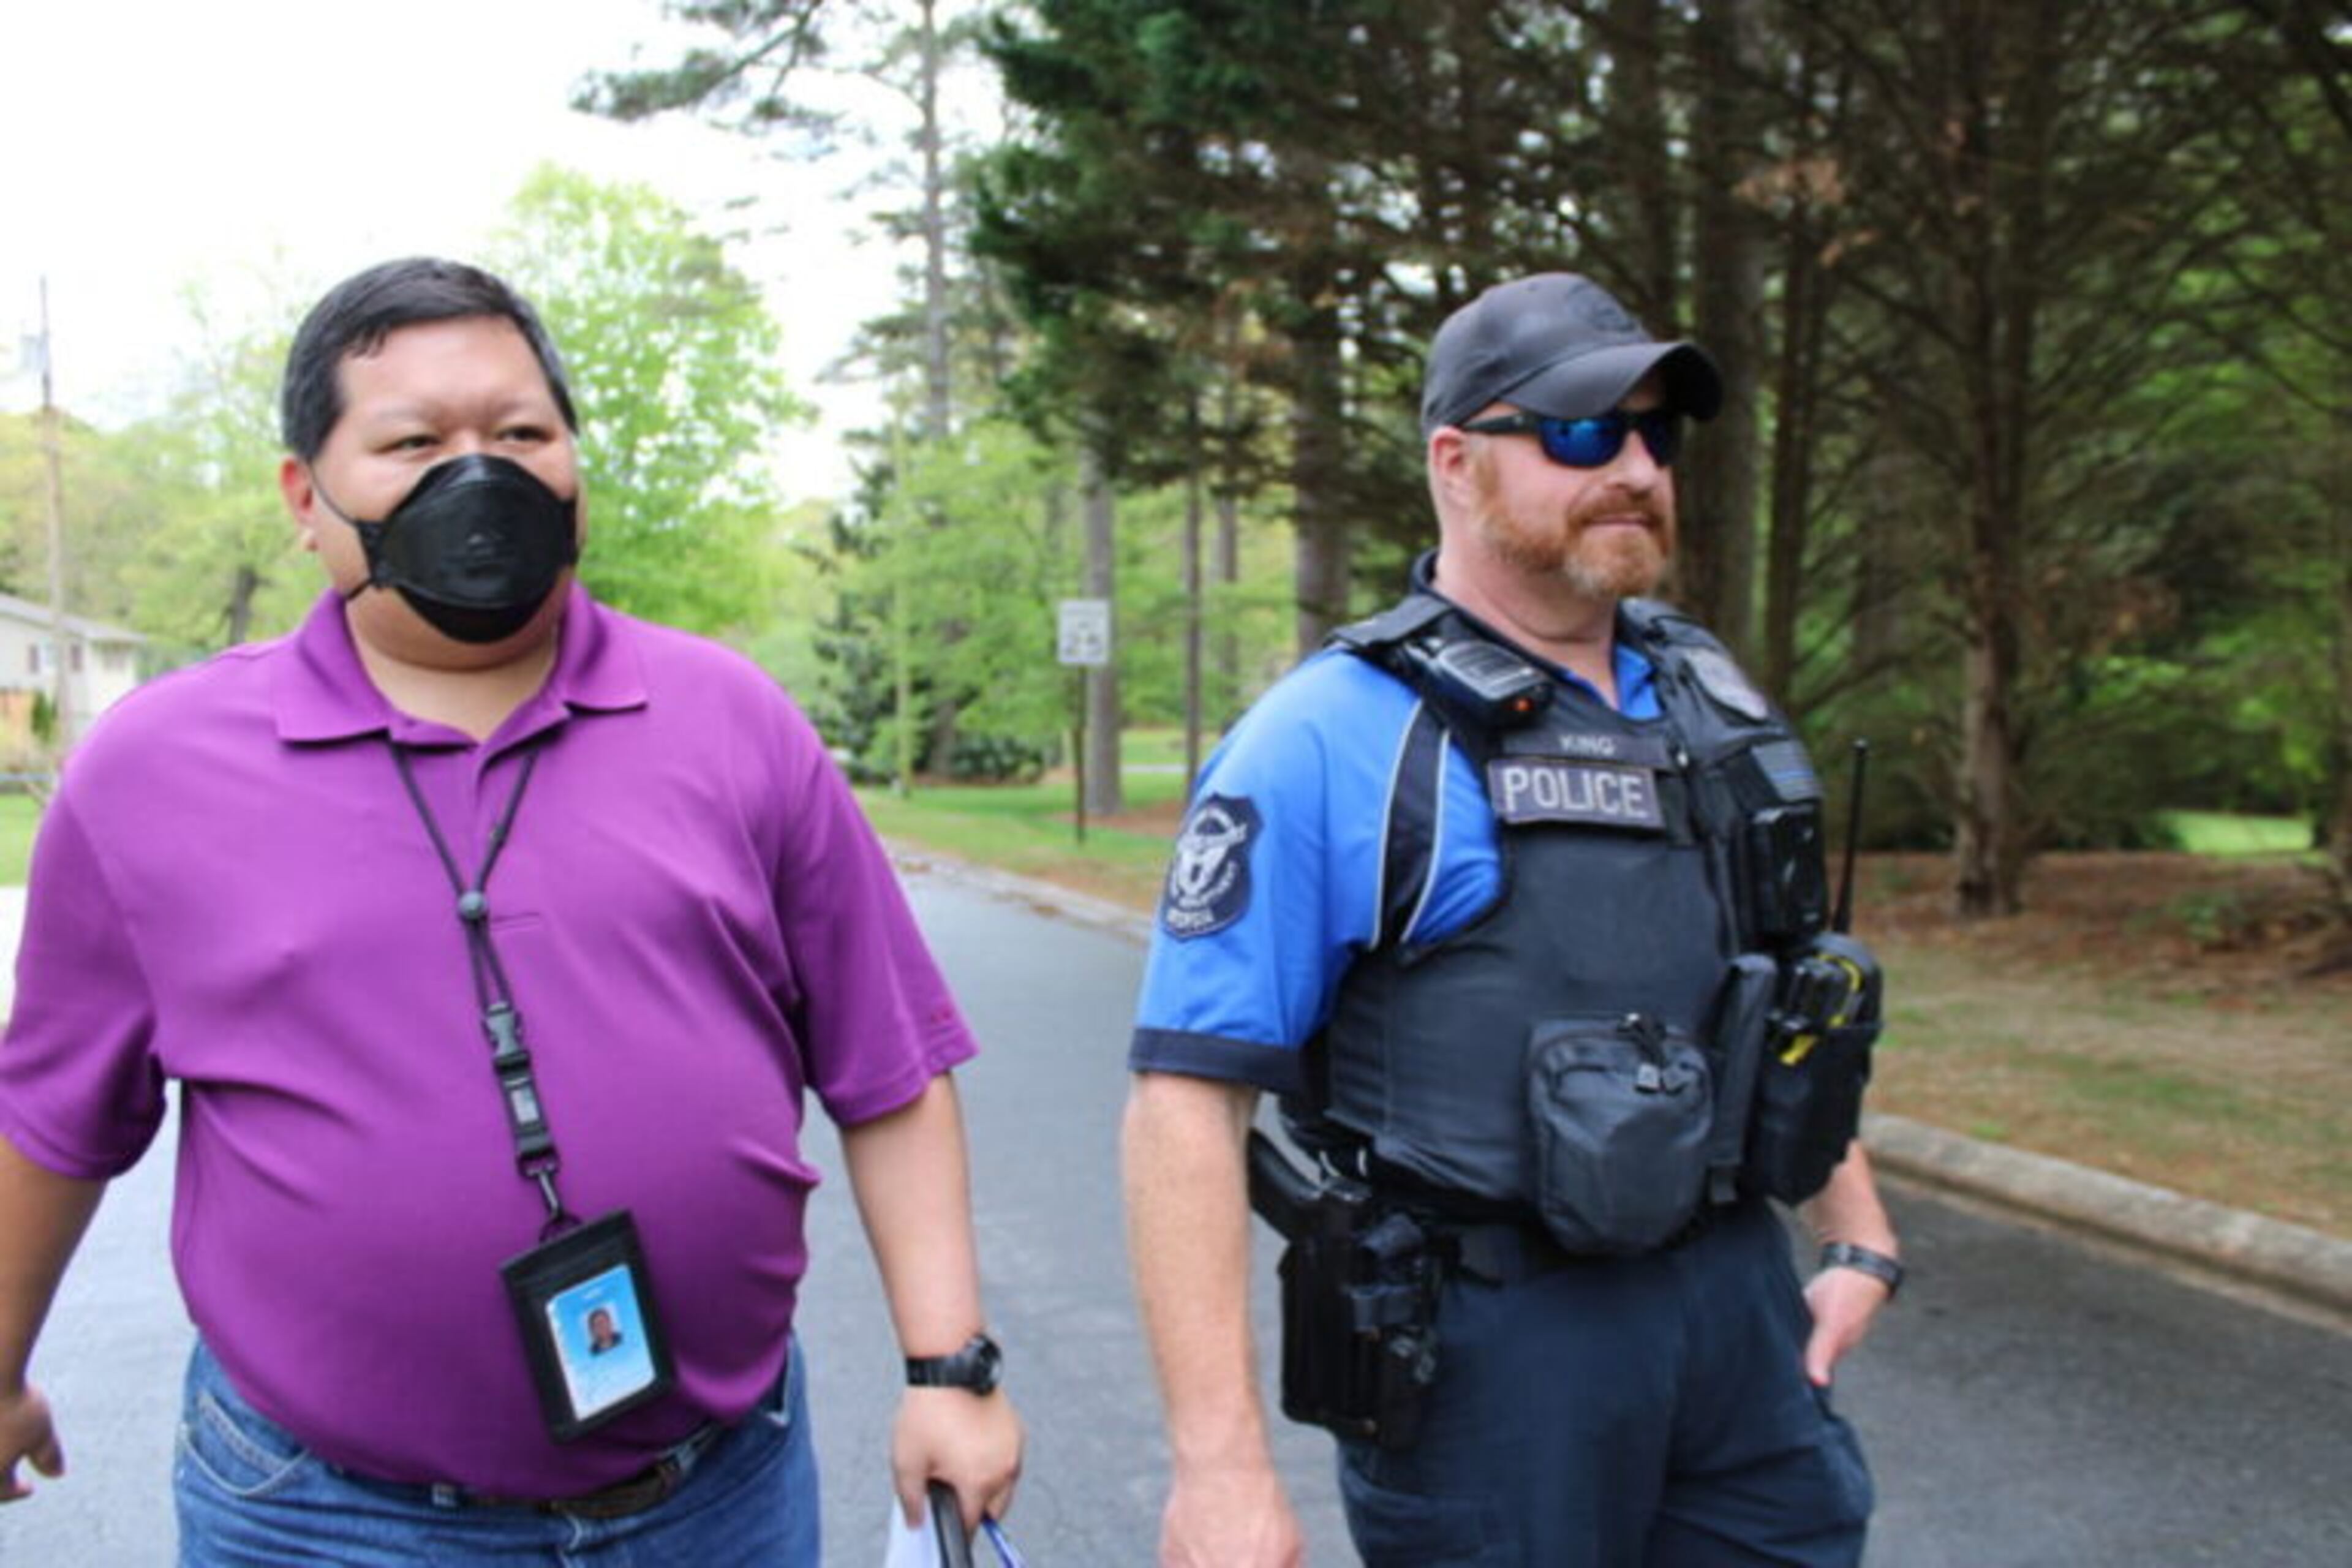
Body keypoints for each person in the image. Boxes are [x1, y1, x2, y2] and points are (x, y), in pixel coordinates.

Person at [0, 257, 1020, 1564]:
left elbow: (890, 1066)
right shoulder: (154, 771)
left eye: (521, 433)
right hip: (324, 1515)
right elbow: (53, 1116)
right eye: (413, 440)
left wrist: (952, 1366)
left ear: (576, 472)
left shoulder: (734, 721)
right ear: (307, 498)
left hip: (719, 1490)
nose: (474, 475)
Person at [1123, 271, 1902, 1567]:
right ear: (1456, 460)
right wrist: (1219, 1469)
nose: (1637, 468)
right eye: (1584, 431)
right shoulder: (1334, 736)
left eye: (1658, 435)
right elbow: (1185, 1105)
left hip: (1736, 1315)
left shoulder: (1707, 695)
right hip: (1495, 1350)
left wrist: (1856, 1225)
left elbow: (1775, 987)